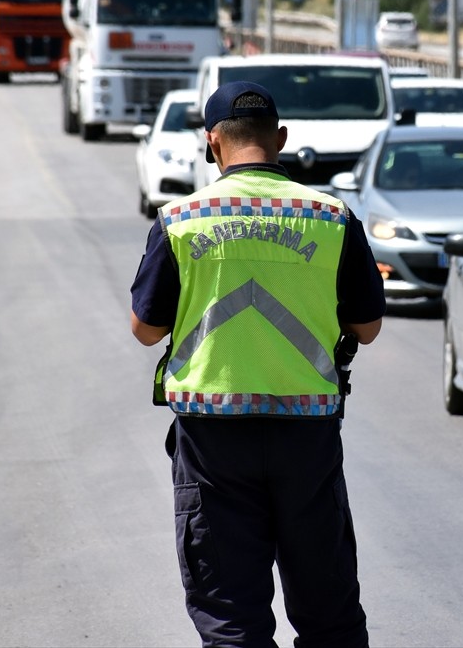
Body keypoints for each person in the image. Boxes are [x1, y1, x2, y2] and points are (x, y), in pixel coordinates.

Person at [129, 80, 385, 648]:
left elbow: (146, 330)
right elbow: (366, 328)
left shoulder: (180, 220)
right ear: (282, 139)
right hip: (307, 438)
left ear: (212, 143)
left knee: (232, 618)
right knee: (329, 614)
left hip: (212, 441)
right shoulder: (332, 217)